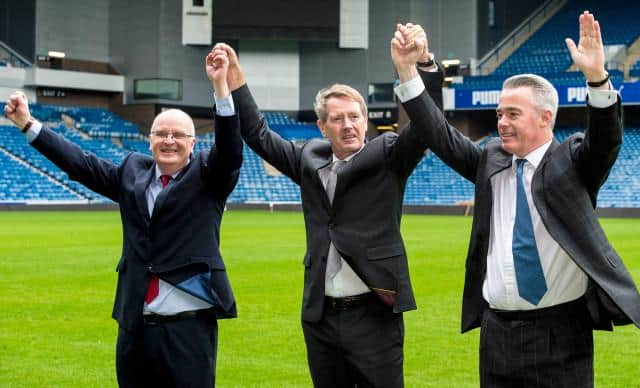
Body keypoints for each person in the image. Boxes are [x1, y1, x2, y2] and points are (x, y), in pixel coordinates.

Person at [392, 11, 640, 387]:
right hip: (496, 332)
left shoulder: (573, 162)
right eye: (498, 113)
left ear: (545, 118)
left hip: (561, 333)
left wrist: (596, 77)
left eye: (512, 113)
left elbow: (606, 140)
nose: (501, 122)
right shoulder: (489, 160)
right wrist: (410, 74)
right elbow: (438, 134)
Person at [209, 25, 441, 387]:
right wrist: (235, 79)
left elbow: (428, 127)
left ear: (366, 120)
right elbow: (257, 134)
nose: (348, 126)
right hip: (320, 317)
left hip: (374, 315)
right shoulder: (310, 160)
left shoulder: (390, 155)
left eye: (354, 117)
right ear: (321, 126)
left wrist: (422, 65)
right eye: (338, 119)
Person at [3, 48, 243, 387]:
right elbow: (81, 165)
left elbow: (231, 150)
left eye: (177, 135)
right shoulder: (133, 172)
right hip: (135, 327)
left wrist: (221, 87)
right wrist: (29, 125)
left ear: (193, 143)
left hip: (187, 329)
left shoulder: (208, 176)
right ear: (149, 141)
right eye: (161, 134)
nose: (169, 141)